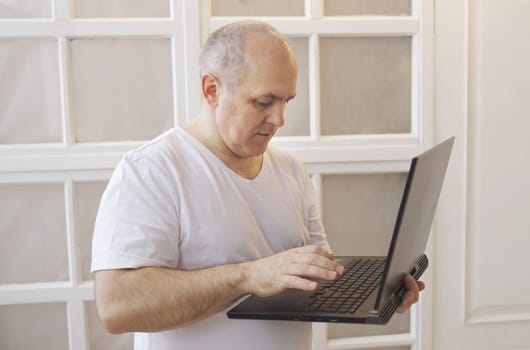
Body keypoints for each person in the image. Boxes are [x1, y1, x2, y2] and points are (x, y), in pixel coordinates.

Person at [91, 20, 425, 350]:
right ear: (212, 90)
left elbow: (314, 275)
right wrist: (248, 276)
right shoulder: (152, 170)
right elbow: (117, 307)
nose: (279, 119)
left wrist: (380, 294)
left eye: (286, 101)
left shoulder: (291, 170)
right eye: (264, 102)